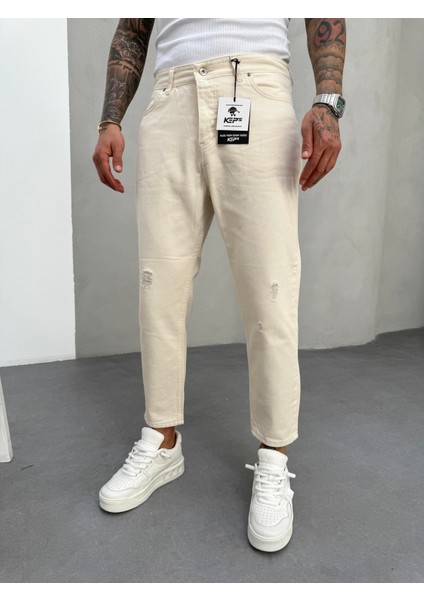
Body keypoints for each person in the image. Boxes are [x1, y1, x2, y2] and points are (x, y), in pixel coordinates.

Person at [92, 18, 346, 552]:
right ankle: (162, 440)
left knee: (269, 289)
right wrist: (109, 118)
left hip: (255, 86)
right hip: (169, 100)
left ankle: (273, 457)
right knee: (158, 285)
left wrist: (328, 100)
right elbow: (132, 29)